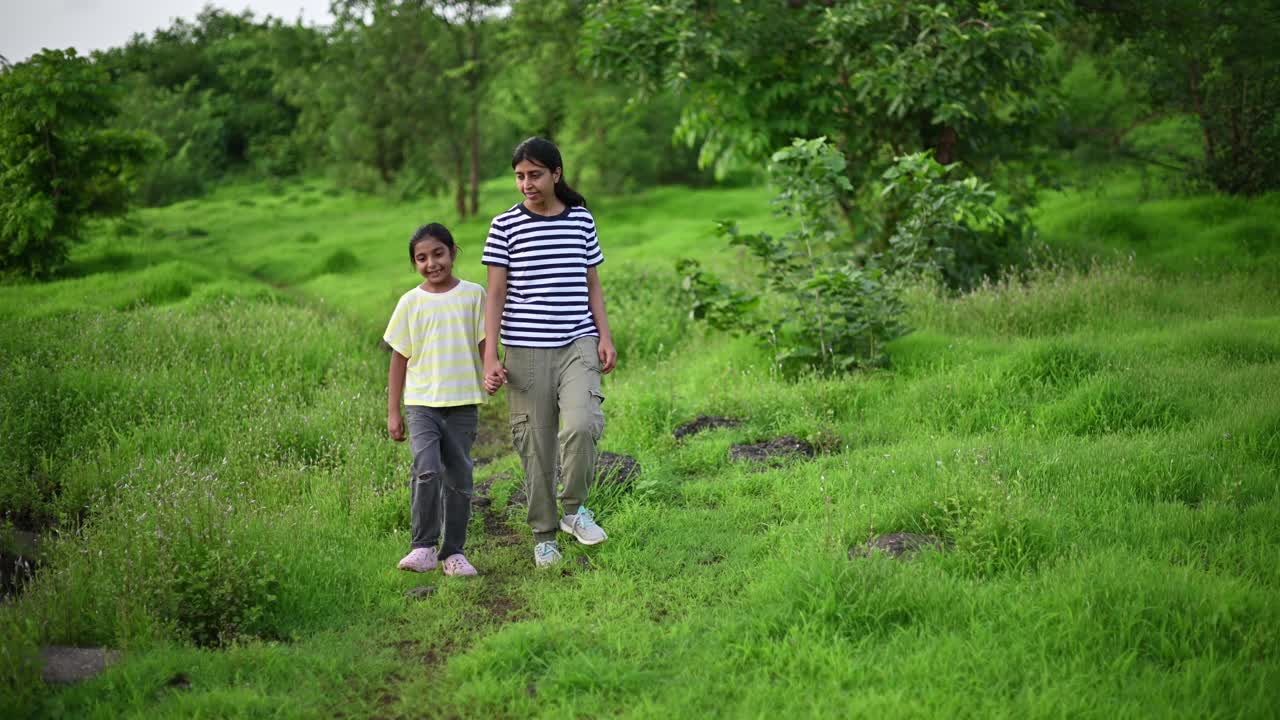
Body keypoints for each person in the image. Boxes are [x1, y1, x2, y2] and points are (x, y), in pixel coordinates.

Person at [481, 137, 617, 568]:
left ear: (556, 174)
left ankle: (574, 511)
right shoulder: (504, 226)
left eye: (535, 174)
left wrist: (605, 335)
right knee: (535, 444)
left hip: (578, 341)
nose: (527, 184)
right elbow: (496, 294)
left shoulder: (580, 219)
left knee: (582, 423)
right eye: (520, 176)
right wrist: (490, 355)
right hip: (524, 349)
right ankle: (544, 534)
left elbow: (591, 282)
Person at [386, 223, 486, 577]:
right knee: (427, 469)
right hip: (422, 404)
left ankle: (454, 553)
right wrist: (394, 412)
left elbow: (484, 342)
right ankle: (423, 547)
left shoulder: (474, 294)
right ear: (415, 263)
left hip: (462, 403)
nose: (431, 263)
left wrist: (493, 369)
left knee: (459, 475)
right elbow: (398, 358)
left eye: (438, 254)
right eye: (421, 258)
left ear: (453, 252)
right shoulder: (411, 302)